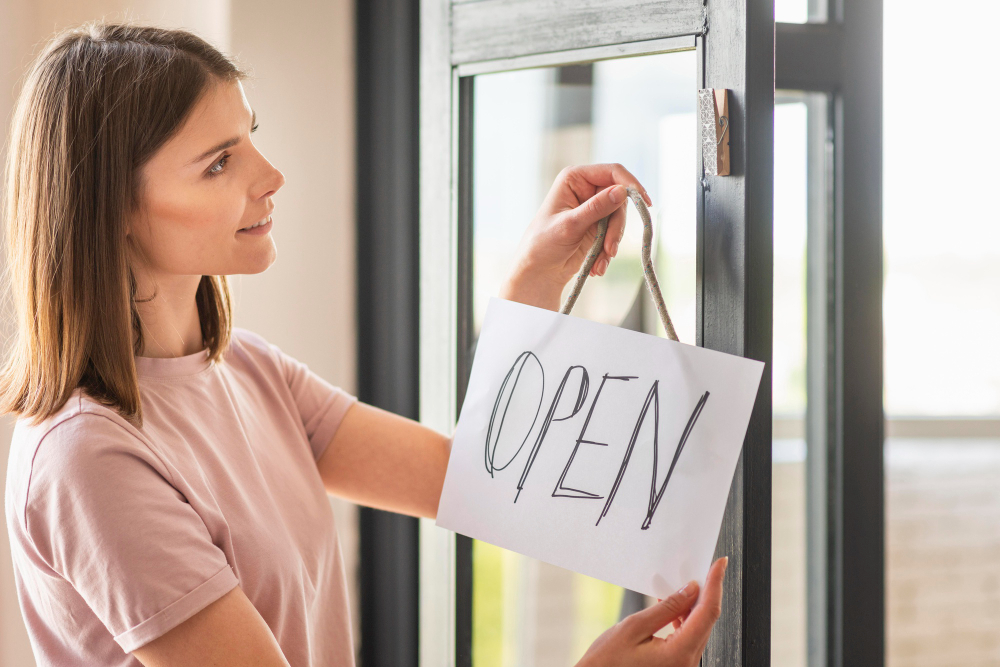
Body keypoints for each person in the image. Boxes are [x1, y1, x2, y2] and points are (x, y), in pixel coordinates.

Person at [0, 22, 727, 667]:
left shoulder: (248, 370)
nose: (270, 176)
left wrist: (532, 278)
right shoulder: (88, 456)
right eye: (220, 162)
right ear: (112, 210)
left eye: (251, 136)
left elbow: (477, 483)